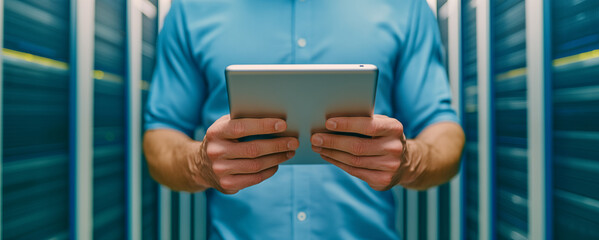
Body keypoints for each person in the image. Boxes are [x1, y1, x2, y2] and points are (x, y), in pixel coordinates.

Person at [143, 0, 465, 239]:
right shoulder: (191, 9)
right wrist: (199, 163)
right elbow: (160, 137)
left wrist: (411, 161)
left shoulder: (404, 7)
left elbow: (445, 133)